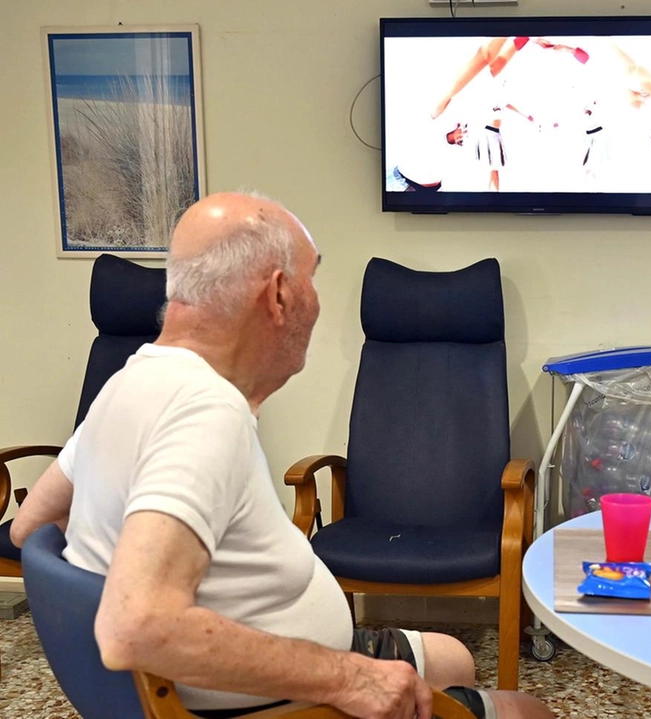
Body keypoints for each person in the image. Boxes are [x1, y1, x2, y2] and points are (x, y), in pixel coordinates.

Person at [11, 193, 552, 719]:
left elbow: (29, 528)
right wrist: (350, 678)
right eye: (311, 278)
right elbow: (137, 626)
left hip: (262, 665)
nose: (316, 299)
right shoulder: (204, 411)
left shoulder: (131, 380)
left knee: (454, 658)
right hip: (276, 698)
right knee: (529, 712)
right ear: (277, 296)